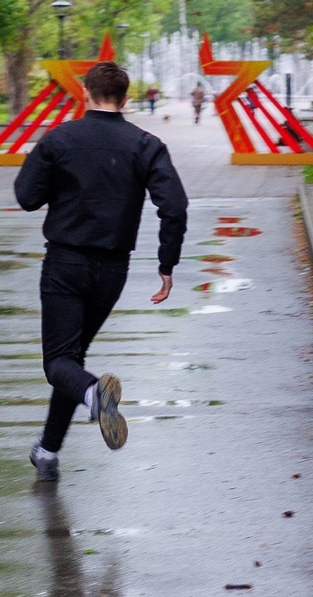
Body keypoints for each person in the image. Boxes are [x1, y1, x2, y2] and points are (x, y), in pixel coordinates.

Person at [13, 59, 188, 482]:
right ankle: (49, 451)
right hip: (112, 270)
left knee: (59, 361)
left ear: (84, 94)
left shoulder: (60, 139)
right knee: (71, 358)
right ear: (126, 99)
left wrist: (63, 180)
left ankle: (94, 394)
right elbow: (175, 206)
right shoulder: (145, 144)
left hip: (65, 263)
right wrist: (166, 265)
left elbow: (26, 197)